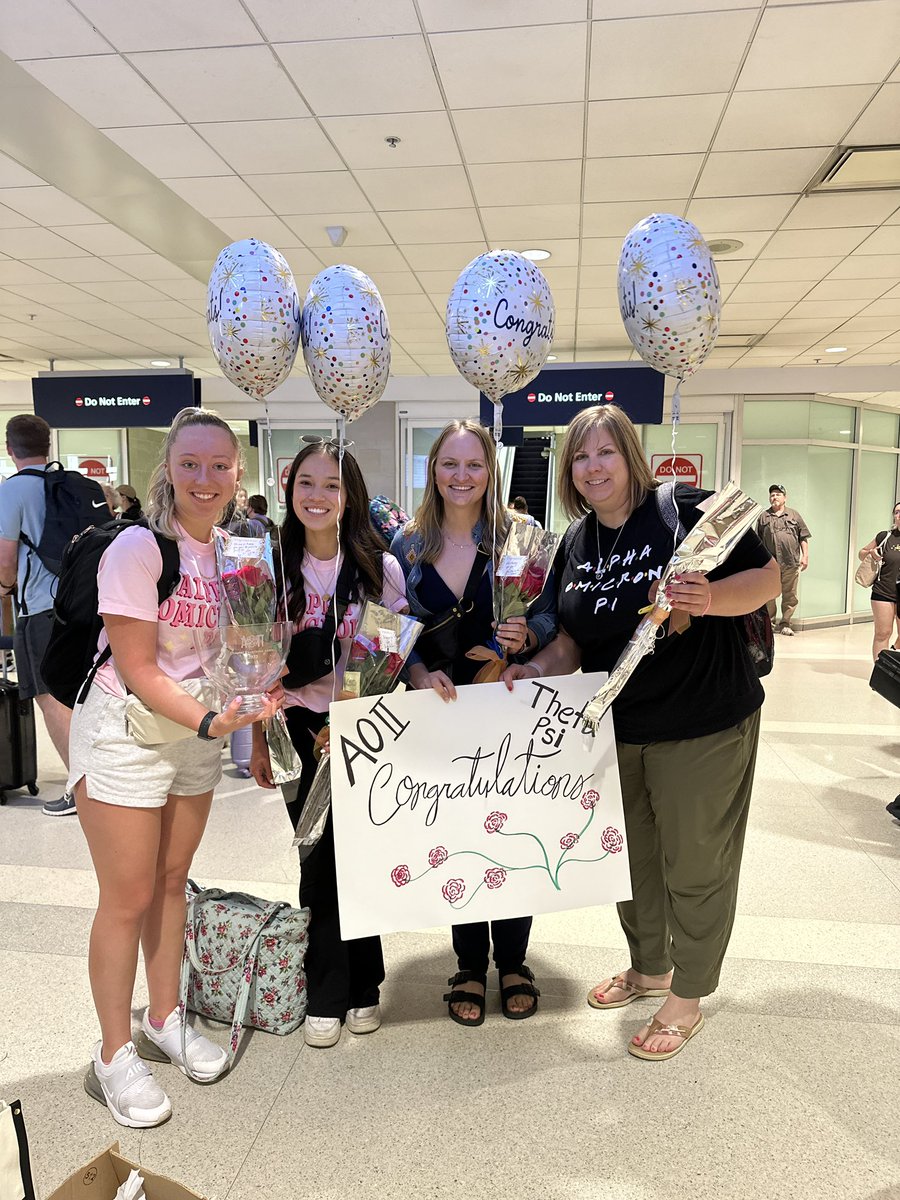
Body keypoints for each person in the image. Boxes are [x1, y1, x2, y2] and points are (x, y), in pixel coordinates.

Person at [503, 405, 779, 1061]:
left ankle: (686, 994)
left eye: (605, 452)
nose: (593, 466)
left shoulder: (681, 508)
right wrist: (530, 672)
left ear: (629, 454)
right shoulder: (574, 542)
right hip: (618, 732)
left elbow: (768, 578)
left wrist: (707, 598)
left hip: (702, 723)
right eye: (580, 456)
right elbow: (571, 640)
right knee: (632, 864)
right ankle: (649, 966)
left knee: (695, 863)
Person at [69, 406, 279, 1128]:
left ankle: (164, 1015)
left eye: (219, 465)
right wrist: (213, 720)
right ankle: (113, 1054)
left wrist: (256, 694)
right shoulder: (138, 548)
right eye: (190, 463)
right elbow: (134, 669)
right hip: (128, 733)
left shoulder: (235, 552)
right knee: (125, 894)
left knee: (169, 883)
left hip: (197, 732)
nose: (205, 477)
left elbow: (241, 649)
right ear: (169, 469)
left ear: (237, 474)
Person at [390, 420, 555, 1027]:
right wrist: (414, 672)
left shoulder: (523, 539)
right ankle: (467, 962)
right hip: (441, 713)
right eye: (449, 465)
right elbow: (387, 629)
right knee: (457, 835)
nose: (462, 477)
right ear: (433, 472)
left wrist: (530, 635)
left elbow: (554, 615)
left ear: (493, 471)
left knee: (512, 830)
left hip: (507, 707)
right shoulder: (407, 545)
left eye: (474, 465)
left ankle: (514, 959)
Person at [249, 436, 407, 1050]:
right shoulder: (266, 565)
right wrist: (261, 743)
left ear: (351, 496)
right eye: (306, 483)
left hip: (360, 730)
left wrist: (353, 714)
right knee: (315, 860)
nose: (318, 496)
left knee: (360, 858)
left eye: (332, 485)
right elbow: (254, 662)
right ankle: (325, 990)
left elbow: (388, 656)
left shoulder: (378, 567)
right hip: (293, 730)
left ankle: (364, 985)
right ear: (290, 490)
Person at [0, 415, 76, 816]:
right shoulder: (71, 483)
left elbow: (6, 560)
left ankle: (79, 790)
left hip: (39, 608)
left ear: (10, 449)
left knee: (51, 698)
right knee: (80, 698)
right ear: (48, 445)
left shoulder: (11, 492)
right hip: (81, 607)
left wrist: (3, 588)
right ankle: (97, 780)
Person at [756, 484, 811, 636]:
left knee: (790, 595)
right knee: (769, 594)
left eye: (778, 494)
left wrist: (805, 556)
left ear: (785, 498)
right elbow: (758, 542)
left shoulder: (794, 515)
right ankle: (770, 624)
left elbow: (803, 537)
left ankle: (786, 623)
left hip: (791, 562)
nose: (774, 497)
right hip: (770, 564)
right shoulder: (763, 517)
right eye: (772, 495)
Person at [859, 502, 900, 661]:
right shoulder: (885, 536)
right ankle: (880, 671)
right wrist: (872, 553)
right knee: (882, 633)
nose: (899, 515)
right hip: (883, 591)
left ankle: (893, 651)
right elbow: (861, 554)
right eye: (896, 512)